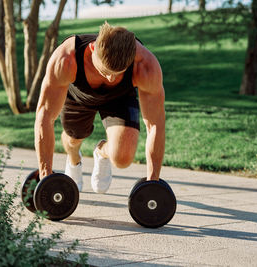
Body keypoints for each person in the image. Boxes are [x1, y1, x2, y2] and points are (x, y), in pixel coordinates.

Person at [34, 22, 165, 193]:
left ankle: (101, 152)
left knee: (122, 158)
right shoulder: (66, 58)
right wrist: (46, 178)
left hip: (120, 98)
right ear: (92, 48)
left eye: (117, 73)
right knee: (73, 139)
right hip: (78, 97)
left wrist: (153, 185)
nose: (111, 79)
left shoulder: (146, 66)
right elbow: (44, 115)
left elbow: (155, 125)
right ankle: (74, 159)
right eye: (105, 71)